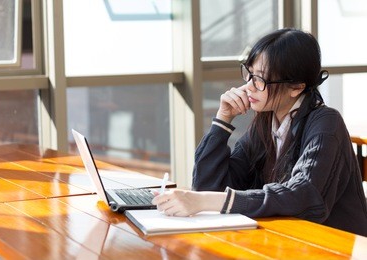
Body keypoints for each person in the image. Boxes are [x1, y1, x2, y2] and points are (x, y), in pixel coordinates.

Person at [152, 28, 367, 236]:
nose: (248, 86)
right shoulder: (265, 122)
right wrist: (222, 119)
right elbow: (207, 186)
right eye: (249, 73)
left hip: (335, 248)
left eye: (260, 79)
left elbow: (303, 197)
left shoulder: (326, 122)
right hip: (287, 241)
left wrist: (204, 201)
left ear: (296, 87)